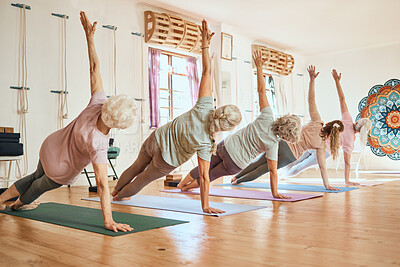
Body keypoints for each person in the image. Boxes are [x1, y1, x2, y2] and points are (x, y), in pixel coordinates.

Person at [0, 12, 135, 233]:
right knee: (37, 188)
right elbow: (102, 185)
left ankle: (1, 199)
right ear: (118, 125)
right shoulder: (99, 144)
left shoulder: (98, 103)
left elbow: (94, 67)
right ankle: (16, 205)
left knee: (34, 176)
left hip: (49, 146)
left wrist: (89, 37)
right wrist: (108, 221)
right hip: (60, 169)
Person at [111, 20, 242, 214]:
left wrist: (205, 45)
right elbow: (205, 178)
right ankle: (117, 197)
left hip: (156, 139)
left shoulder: (204, 106)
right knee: (142, 180)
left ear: (220, 109)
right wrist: (205, 206)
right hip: (166, 161)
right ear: (226, 127)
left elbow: (206, 71)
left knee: (135, 167)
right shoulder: (207, 142)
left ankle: (113, 191)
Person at [177, 51, 301, 199]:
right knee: (211, 175)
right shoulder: (273, 144)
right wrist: (275, 193)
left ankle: (180, 184)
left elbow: (261, 91)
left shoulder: (267, 116)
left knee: (205, 166)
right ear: (287, 136)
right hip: (236, 162)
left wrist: (259, 67)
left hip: (226, 146)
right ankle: (186, 188)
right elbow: (273, 171)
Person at [231, 66, 343, 191]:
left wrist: (311, 80)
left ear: (329, 124)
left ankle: (236, 176)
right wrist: (327, 185)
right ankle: (238, 181)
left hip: (283, 144)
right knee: (263, 169)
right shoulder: (321, 145)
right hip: (290, 155)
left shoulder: (317, 121)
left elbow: (311, 100)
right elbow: (322, 167)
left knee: (257, 162)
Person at [279, 69, 372, 185]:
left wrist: (337, 81)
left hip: (316, 139)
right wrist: (347, 180)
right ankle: (280, 178)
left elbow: (342, 99)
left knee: (295, 160)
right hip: (324, 151)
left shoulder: (348, 119)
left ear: (358, 121)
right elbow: (347, 163)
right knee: (300, 167)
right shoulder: (351, 142)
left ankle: (277, 176)